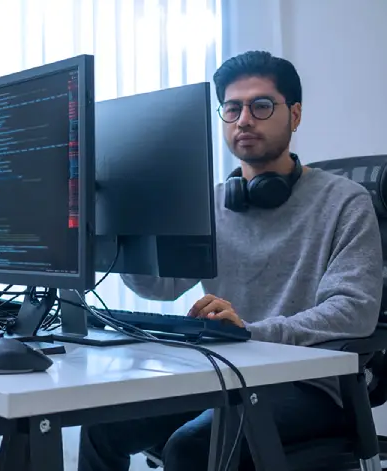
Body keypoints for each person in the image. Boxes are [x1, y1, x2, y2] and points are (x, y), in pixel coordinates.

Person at [78, 50, 383, 471]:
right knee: (101, 424)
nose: (244, 120)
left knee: (192, 446)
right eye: (232, 108)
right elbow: (158, 285)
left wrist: (251, 332)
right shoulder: (214, 203)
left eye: (261, 106)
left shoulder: (345, 201)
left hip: (310, 384)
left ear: (294, 115)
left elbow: (355, 311)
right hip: (223, 370)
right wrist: (118, 222)